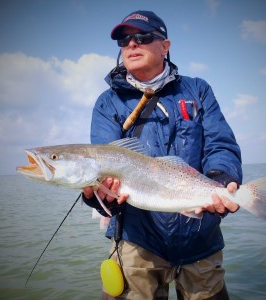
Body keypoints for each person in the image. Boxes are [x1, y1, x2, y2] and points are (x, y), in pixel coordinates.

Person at [83, 10, 242, 300]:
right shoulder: (108, 103)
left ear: (165, 46)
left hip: (201, 237)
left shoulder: (197, 89)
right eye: (124, 39)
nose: (131, 45)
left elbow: (220, 143)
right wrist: (97, 194)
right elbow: (103, 163)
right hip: (137, 240)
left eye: (142, 37)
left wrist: (223, 178)